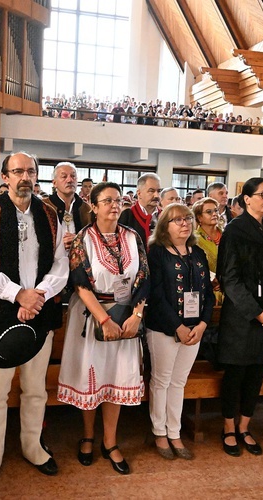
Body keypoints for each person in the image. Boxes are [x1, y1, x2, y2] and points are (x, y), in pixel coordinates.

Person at [0, 152, 68, 486]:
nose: (24, 177)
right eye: (17, 171)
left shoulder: (52, 213)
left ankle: (32, 446)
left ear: (36, 176)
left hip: (40, 313)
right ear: (5, 176)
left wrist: (37, 295)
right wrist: (18, 295)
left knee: (35, 389)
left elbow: (61, 263)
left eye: (30, 171)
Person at [57, 182, 148, 475]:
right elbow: (80, 283)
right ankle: (87, 436)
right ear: (93, 206)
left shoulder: (133, 236)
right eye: (106, 200)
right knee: (92, 378)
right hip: (92, 315)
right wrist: (105, 320)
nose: (114, 205)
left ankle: (110, 441)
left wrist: (135, 315)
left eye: (118, 200)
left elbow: (144, 278)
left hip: (127, 315)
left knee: (116, 377)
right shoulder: (82, 239)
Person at [216, 177, 263, 457]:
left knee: (256, 373)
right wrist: (255, 312)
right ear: (246, 199)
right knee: (236, 374)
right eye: (262, 195)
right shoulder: (235, 230)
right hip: (243, 315)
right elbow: (229, 278)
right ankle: (228, 428)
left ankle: (245, 426)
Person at [146, 203, 213, 461]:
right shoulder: (157, 253)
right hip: (165, 328)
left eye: (186, 219)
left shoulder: (198, 253)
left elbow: (206, 293)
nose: (184, 223)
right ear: (165, 226)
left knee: (179, 382)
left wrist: (202, 325)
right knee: (161, 381)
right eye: (176, 220)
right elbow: (157, 295)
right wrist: (178, 327)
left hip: (195, 328)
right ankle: (159, 432)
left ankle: (175, 432)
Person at [44, 162, 92, 252]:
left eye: (73, 176)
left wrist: (79, 240)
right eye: (64, 176)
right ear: (54, 183)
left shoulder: (86, 208)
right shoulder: (44, 206)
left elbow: (93, 237)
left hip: (79, 260)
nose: (70, 180)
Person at [118, 173, 162, 247]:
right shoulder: (127, 215)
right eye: (151, 191)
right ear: (139, 193)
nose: (156, 195)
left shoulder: (164, 216)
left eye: (159, 191)